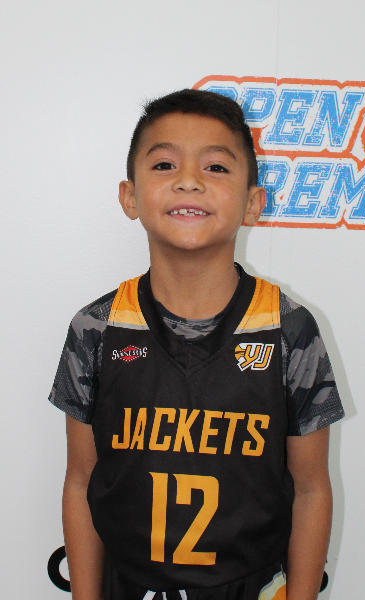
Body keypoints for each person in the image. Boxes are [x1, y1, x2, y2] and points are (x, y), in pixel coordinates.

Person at [49, 89, 344, 600]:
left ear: (252, 202)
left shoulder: (289, 330)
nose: (189, 180)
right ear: (130, 196)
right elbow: (81, 480)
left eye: (216, 167)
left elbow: (312, 487)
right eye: (164, 164)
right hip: (128, 584)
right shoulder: (96, 328)